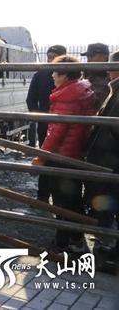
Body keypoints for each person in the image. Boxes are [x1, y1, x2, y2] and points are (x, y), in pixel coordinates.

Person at [32, 55, 96, 253]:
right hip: (75, 153)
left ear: (65, 74)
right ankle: (76, 239)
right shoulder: (81, 90)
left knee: (60, 202)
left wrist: (41, 156)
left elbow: (56, 132)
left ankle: (60, 244)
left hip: (62, 155)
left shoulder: (67, 96)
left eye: (55, 72)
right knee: (73, 198)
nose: (52, 75)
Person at [84, 50, 119, 272]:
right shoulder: (113, 89)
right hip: (109, 159)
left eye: (112, 66)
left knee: (110, 204)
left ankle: (110, 251)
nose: (108, 70)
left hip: (112, 160)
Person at [26, 45, 67, 201]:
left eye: (54, 57)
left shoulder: (71, 76)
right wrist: (40, 118)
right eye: (49, 56)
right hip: (46, 126)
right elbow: (31, 100)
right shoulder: (40, 75)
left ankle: (58, 198)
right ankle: (43, 197)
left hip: (65, 126)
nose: (50, 60)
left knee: (60, 161)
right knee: (44, 158)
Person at [82, 42, 111, 112]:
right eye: (87, 57)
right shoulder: (85, 75)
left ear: (104, 57)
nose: (88, 60)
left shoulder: (112, 78)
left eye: (91, 56)